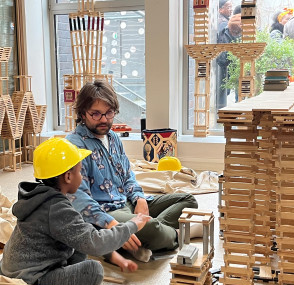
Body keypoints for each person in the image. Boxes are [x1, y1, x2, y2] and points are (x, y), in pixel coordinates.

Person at [66, 81, 198, 261]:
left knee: (188, 201)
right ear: (82, 114)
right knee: (152, 229)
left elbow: (127, 175)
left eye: (109, 113)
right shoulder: (74, 145)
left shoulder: (113, 138)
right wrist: (110, 223)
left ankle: (130, 241)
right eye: (95, 114)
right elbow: (77, 198)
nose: (104, 119)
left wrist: (140, 198)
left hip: (126, 202)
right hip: (106, 212)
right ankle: (175, 234)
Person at [0, 137, 150, 285]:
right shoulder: (56, 209)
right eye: (80, 172)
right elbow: (95, 243)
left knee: (80, 241)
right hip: (30, 281)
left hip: (16, 270)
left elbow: (83, 234)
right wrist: (132, 225)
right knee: (93, 271)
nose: (82, 177)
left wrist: (117, 258)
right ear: (68, 177)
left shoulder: (41, 197)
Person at [217, 5, 243, 105]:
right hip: (232, 70)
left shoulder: (225, 28)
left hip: (232, 71)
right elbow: (222, 59)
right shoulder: (224, 25)